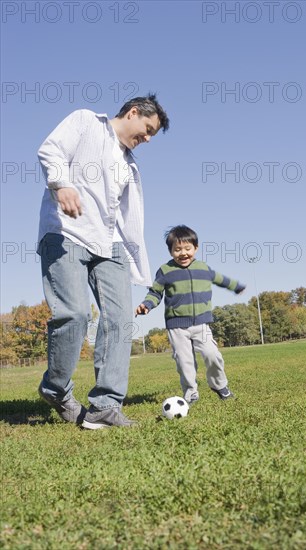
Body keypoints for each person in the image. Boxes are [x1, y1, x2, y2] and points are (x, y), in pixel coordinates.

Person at [37, 94, 169, 429]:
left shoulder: (130, 164)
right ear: (133, 112)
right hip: (65, 233)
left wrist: (134, 256)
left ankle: (104, 407)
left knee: (121, 318)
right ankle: (55, 389)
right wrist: (61, 184)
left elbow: (128, 218)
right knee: (74, 314)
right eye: (147, 129)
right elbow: (50, 150)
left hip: (109, 245)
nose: (148, 139)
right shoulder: (85, 122)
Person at [135, 225, 246, 404]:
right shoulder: (165, 271)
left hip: (201, 324)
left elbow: (220, 279)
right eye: (177, 249)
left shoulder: (203, 268)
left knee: (212, 355)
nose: (183, 253)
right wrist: (147, 305)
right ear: (170, 251)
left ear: (196, 247)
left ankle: (219, 385)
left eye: (187, 248)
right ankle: (190, 394)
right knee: (185, 362)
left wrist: (236, 286)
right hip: (177, 326)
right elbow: (155, 292)